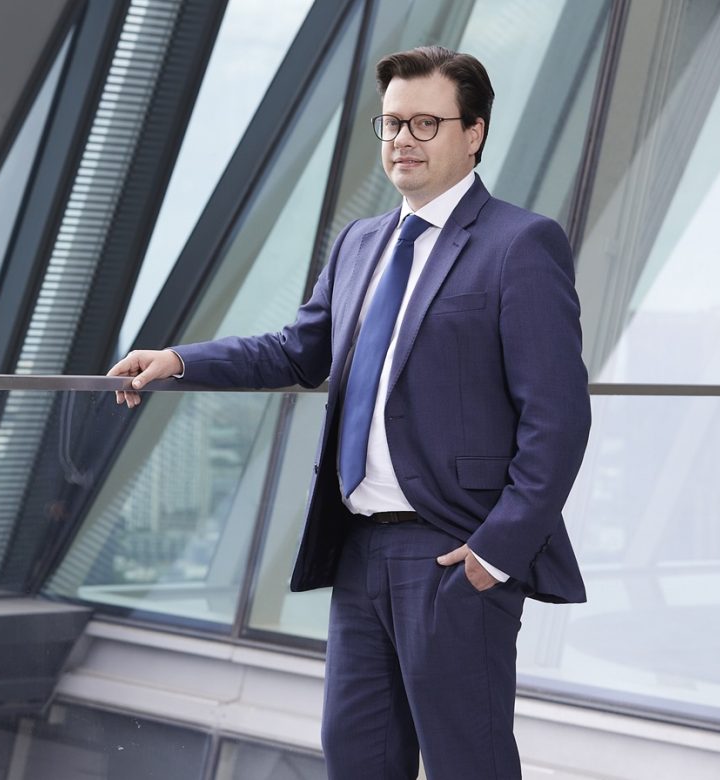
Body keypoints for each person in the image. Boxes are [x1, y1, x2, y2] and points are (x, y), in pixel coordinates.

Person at [108, 45, 591, 779]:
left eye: (425, 123)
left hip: (453, 551)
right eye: (392, 122)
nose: (402, 139)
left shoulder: (519, 244)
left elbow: (557, 416)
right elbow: (297, 351)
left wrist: (496, 553)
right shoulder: (362, 242)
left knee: (470, 763)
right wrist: (180, 360)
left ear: (474, 133)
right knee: (357, 757)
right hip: (359, 551)